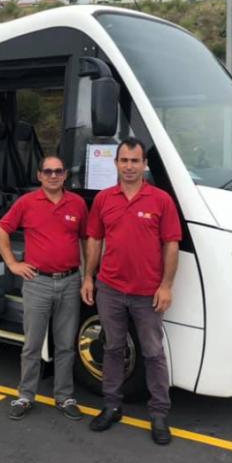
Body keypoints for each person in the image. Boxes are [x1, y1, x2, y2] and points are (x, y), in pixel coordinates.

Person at [81, 138, 181, 445]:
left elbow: (171, 244)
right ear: (116, 164)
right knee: (112, 348)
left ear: (144, 165)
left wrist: (166, 285)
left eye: (135, 161)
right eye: (124, 160)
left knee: (153, 353)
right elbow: (94, 239)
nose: (129, 166)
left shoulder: (161, 200)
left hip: (147, 293)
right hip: (110, 288)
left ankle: (159, 414)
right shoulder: (104, 199)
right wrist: (88, 277)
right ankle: (112, 406)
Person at [0, 155, 88, 421]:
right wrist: (13, 263)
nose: (53, 176)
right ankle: (25, 396)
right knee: (32, 345)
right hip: (38, 282)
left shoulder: (77, 204)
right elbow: (1, 231)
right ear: (39, 176)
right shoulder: (26, 203)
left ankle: (64, 397)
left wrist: (87, 275)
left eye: (58, 171)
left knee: (65, 345)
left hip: (70, 282)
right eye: (48, 171)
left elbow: (85, 239)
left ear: (65, 174)